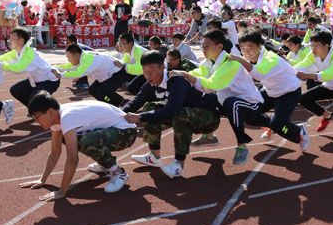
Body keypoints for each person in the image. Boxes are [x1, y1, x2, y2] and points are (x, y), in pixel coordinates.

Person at [171, 29, 265, 164]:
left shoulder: (230, 63)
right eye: (202, 46)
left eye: (206, 46)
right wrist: (184, 74)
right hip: (227, 103)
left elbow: (213, 84)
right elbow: (199, 72)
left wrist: (187, 76)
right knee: (204, 97)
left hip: (250, 104)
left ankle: (242, 146)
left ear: (219, 46)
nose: (203, 49)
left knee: (234, 104)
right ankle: (209, 136)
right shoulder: (210, 61)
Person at [21, 92, 137, 200]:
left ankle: (118, 173)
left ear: (50, 112)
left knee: (86, 141)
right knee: (72, 139)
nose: (36, 121)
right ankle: (105, 164)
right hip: (111, 130)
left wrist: (62, 191)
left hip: (127, 132)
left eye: (37, 117)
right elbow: (55, 152)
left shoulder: (67, 117)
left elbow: (72, 159)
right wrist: (42, 179)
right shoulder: (57, 118)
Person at [122, 52, 221, 178]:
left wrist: (140, 117)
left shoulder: (176, 80)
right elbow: (136, 102)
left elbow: (171, 111)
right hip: (187, 115)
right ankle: (154, 156)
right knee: (150, 107)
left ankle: (179, 164)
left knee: (179, 114)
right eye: (145, 71)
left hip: (209, 118)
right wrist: (117, 114)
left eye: (151, 71)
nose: (148, 75)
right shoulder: (150, 84)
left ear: (162, 67)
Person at [231, 31, 310, 151]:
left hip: (289, 92)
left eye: (250, 48)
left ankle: (299, 132)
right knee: (248, 114)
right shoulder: (249, 58)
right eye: (242, 48)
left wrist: (240, 60)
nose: (246, 52)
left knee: (279, 125)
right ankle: (271, 124)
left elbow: (259, 74)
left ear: (259, 46)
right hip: (270, 91)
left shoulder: (270, 58)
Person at [0, 27, 60, 108]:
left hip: (50, 80)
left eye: (12, 38)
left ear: (21, 41)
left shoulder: (29, 54)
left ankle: (54, 108)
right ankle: (34, 109)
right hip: (36, 80)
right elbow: (0, 58)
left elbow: (18, 69)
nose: (9, 41)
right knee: (15, 90)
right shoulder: (16, 52)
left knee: (35, 98)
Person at [56, 44, 128, 106]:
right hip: (108, 75)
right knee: (93, 90)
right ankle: (108, 105)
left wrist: (61, 75)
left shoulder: (87, 59)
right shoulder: (83, 57)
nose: (68, 60)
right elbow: (69, 66)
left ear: (76, 55)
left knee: (103, 91)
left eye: (68, 57)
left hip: (119, 73)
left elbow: (78, 73)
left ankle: (124, 103)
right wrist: (54, 68)